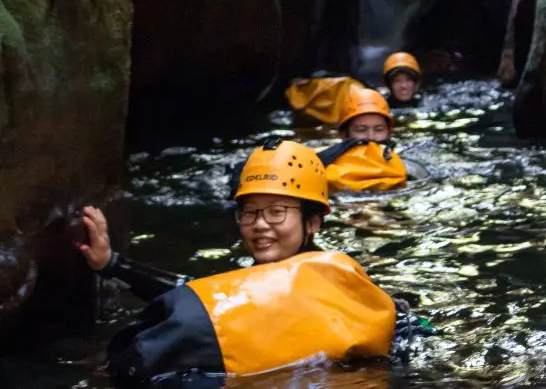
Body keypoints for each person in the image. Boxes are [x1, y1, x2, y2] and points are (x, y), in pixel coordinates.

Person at [76, 139, 431, 385]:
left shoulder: (338, 286)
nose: (261, 225)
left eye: (278, 212)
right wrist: (112, 264)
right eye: (250, 212)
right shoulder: (252, 283)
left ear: (314, 223)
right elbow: (196, 293)